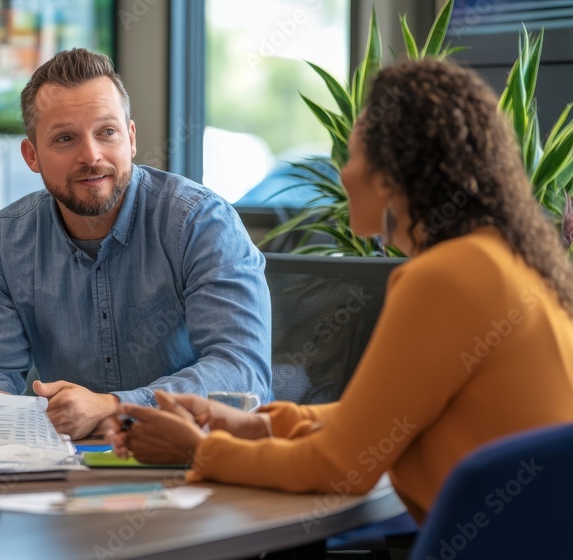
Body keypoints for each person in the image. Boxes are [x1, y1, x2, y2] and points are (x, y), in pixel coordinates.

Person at [110, 58, 573, 523]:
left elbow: (341, 466)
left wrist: (200, 450)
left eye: (352, 157)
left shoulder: (447, 277)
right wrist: (254, 427)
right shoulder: (503, 259)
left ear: (393, 173)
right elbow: (373, 420)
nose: (344, 174)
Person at [0, 48, 272, 439]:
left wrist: (115, 407)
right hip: (65, 474)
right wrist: (2, 419)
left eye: (107, 132)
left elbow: (242, 373)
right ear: (32, 155)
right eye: (65, 138)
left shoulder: (199, 222)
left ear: (131, 138)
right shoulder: (1, 243)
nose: (91, 156)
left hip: (197, 462)